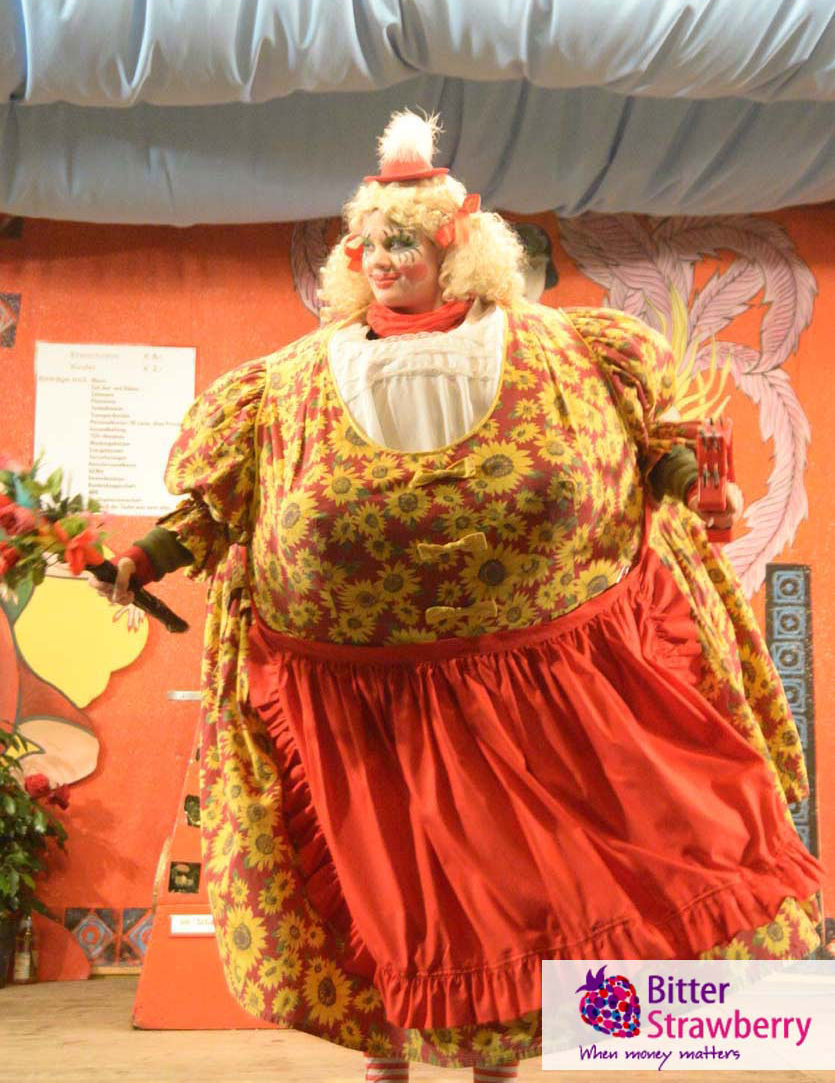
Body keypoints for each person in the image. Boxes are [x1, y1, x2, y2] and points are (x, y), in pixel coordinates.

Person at [93, 109, 823, 1080]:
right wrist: (141, 560)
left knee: (525, 885)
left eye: (406, 242)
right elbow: (217, 504)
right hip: (362, 710)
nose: (384, 260)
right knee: (387, 887)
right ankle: (389, 1049)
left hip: (547, 688)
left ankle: (498, 1056)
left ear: (458, 248)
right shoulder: (284, 387)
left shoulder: (574, 353)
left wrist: (698, 487)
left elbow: (659, 451)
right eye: (370, 244)